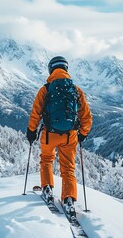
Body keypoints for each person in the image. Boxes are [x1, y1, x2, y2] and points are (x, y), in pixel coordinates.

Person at [26, 56, 92, 211]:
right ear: (66, 69)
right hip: (70, 136)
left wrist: (31, 131)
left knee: (46, 160)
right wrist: (83, 133)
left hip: (49, 135)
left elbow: (35, 113)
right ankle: (68, 198)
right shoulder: (76, 90)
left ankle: (47, 188)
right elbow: (86, 116)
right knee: (68, 168)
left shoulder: (45, 89)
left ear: (51, 69)